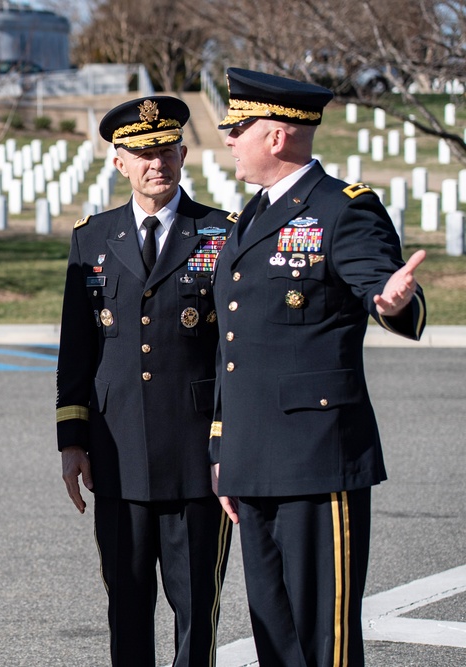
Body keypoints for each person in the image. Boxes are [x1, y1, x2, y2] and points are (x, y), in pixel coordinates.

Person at [209, 68, 427, 666]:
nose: (228, 139)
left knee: (323, 639)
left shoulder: (342, 209)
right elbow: (236, 345)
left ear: (276, 137)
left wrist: (390, 302)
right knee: (273, 637)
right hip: (252, 460)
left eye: (239, 128)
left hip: (314, 456)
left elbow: (380, 286)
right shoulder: (251, 215)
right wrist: (224, 449)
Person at [56, 95, 235, 666]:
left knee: (196, 609)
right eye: (142, 153)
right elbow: (76, 350)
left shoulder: (222, 233)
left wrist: (228, 443)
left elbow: (238, 352)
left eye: (166, 150)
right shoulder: (92, 238)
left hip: (196, 455)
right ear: (119, 162)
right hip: (117, 451)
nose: (157, 163)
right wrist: (72, 441)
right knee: (126, 607)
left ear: (183, 153)